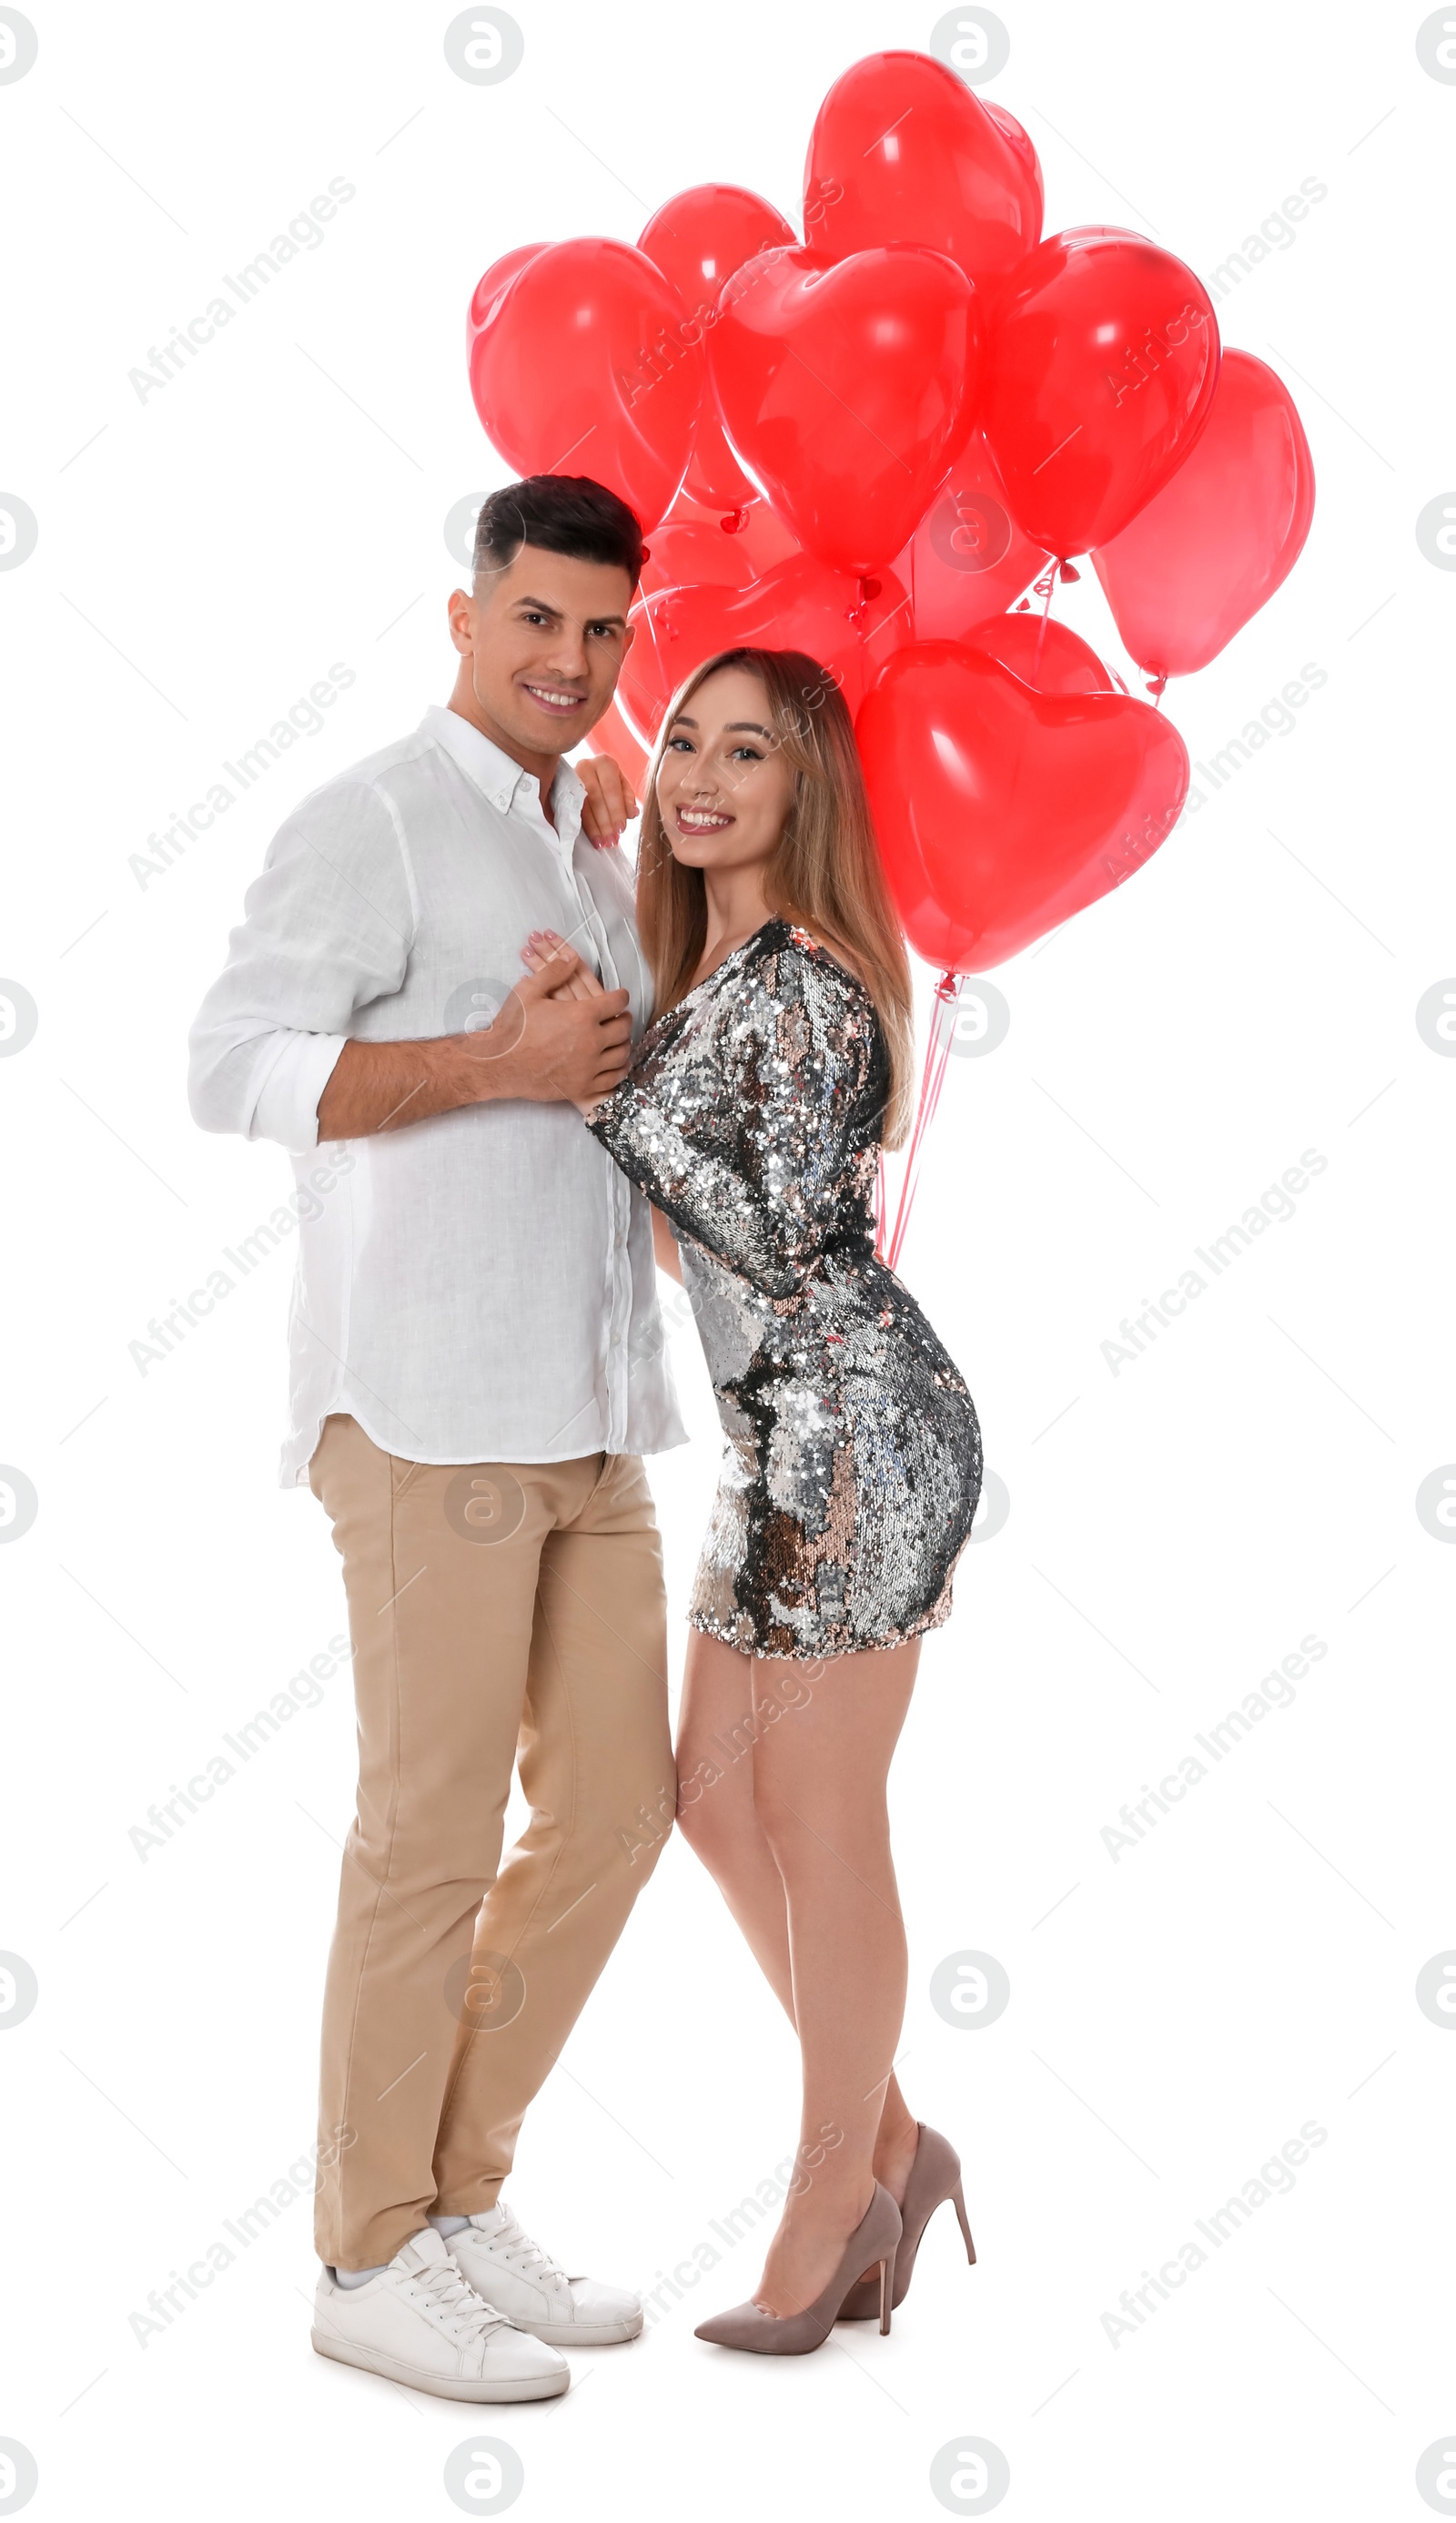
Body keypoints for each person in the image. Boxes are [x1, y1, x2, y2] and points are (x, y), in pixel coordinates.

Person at [187, 473, 687, 2404]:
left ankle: (450, 2206)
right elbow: (229, 1067)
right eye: (535, 620)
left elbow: (611, 1107)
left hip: (589, 1411)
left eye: (599, 634)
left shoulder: (586, 846)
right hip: (423, 1412)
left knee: (618, 1821)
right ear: (465, 615)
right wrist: (495, 1057)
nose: (567, 661)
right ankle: (362, 2253)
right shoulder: (373, 822)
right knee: (429, 1837)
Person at [516, 645, 984, 2354]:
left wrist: (603, 1092)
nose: (702, 776)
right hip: (779, 1435)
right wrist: (628, 1081)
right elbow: (687, 1241)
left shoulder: (802, 978)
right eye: (687, 742)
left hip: (861, 1428)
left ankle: (832, 2200)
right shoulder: (719, 971)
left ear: (809, 791)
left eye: (748, 754)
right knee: (714, 1805)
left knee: (817, 1814)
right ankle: (897, 2147)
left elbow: (777, 1232)